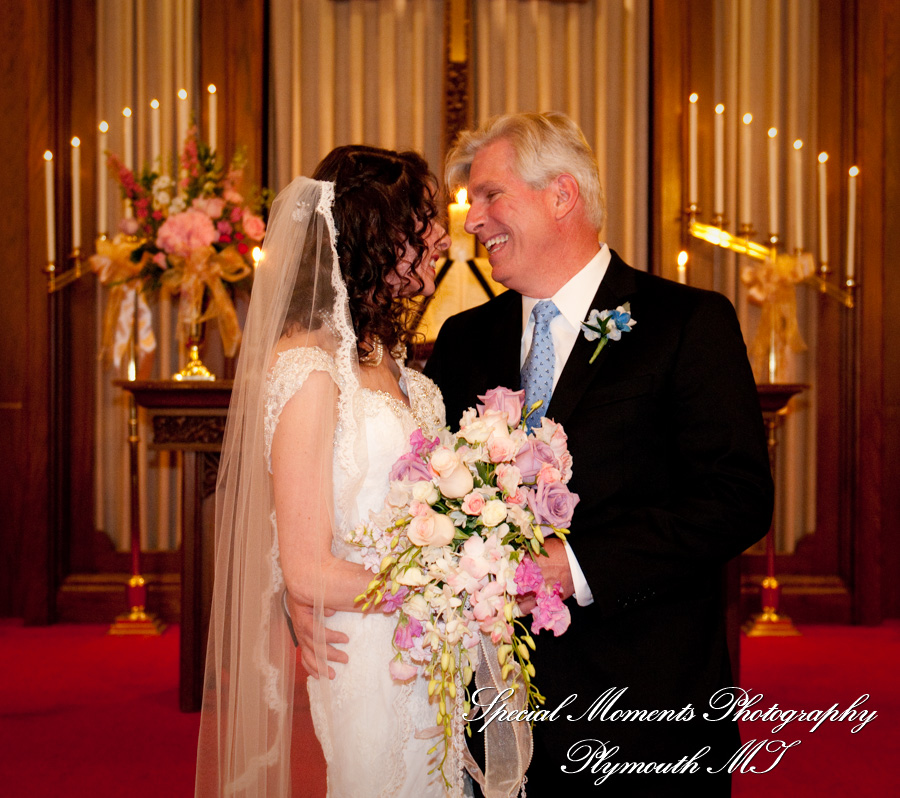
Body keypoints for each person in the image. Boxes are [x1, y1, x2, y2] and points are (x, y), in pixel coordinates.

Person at [423, 112, 775, 795]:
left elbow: (737, 498)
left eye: (491, 196)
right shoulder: (463, 339)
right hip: (493, 714)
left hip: (643, 706)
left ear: (562, 195)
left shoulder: (686, 322)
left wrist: (577, 568)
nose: (472, 221)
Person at [194, 145, 461, 797]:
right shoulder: (309, 372)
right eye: (420, 221)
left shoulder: (383, 355)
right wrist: (447, 586)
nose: (438, 236)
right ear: (375, 235)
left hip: (429, 637)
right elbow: (308, 569)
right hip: (366, 646)